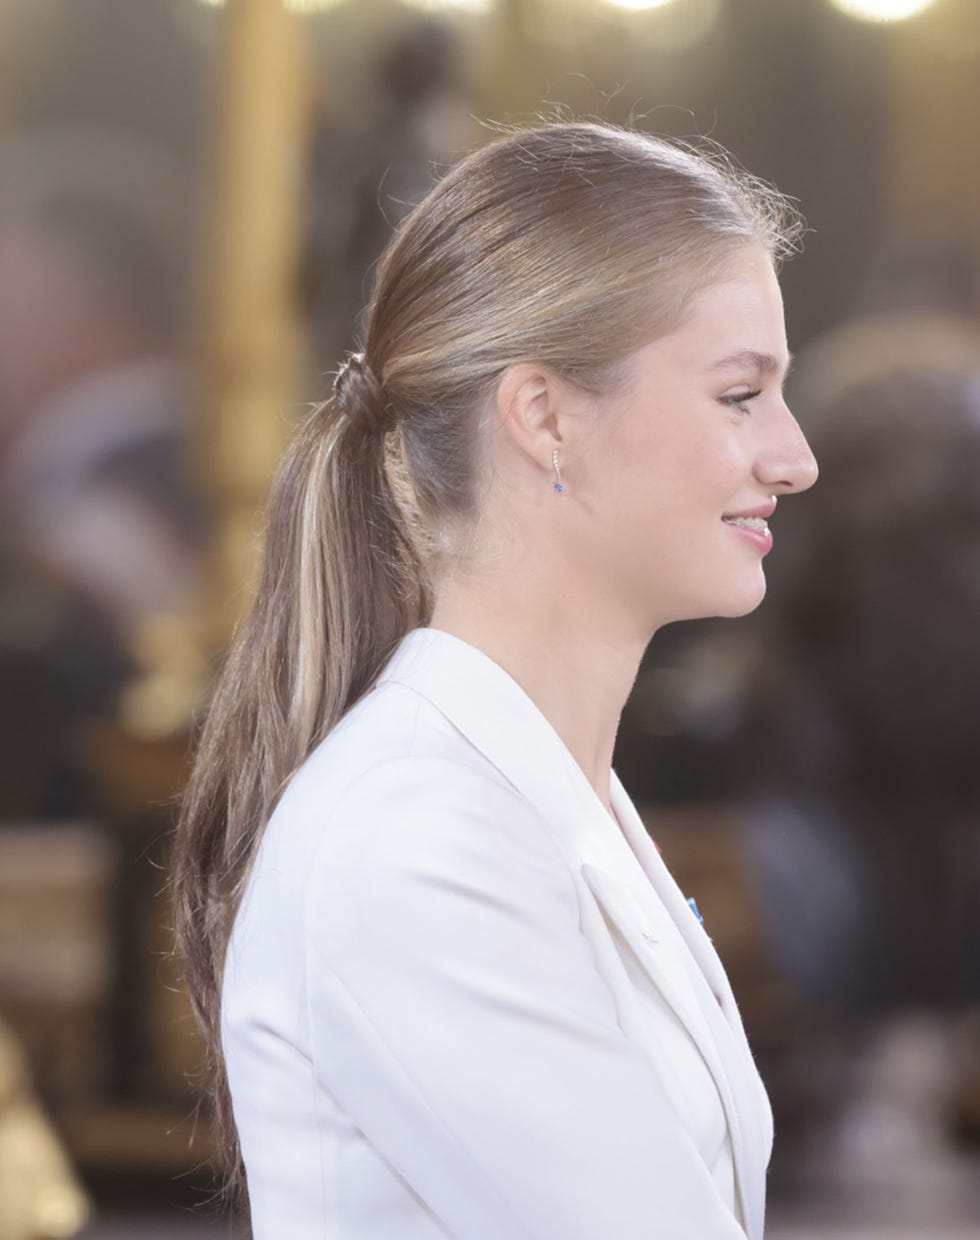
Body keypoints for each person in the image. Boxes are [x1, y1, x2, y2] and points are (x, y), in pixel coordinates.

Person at [172, 119, 818, 1239]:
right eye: (737, 395)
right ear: (543, 417)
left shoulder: (539, 796)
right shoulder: (416, 834)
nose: (792, 455)